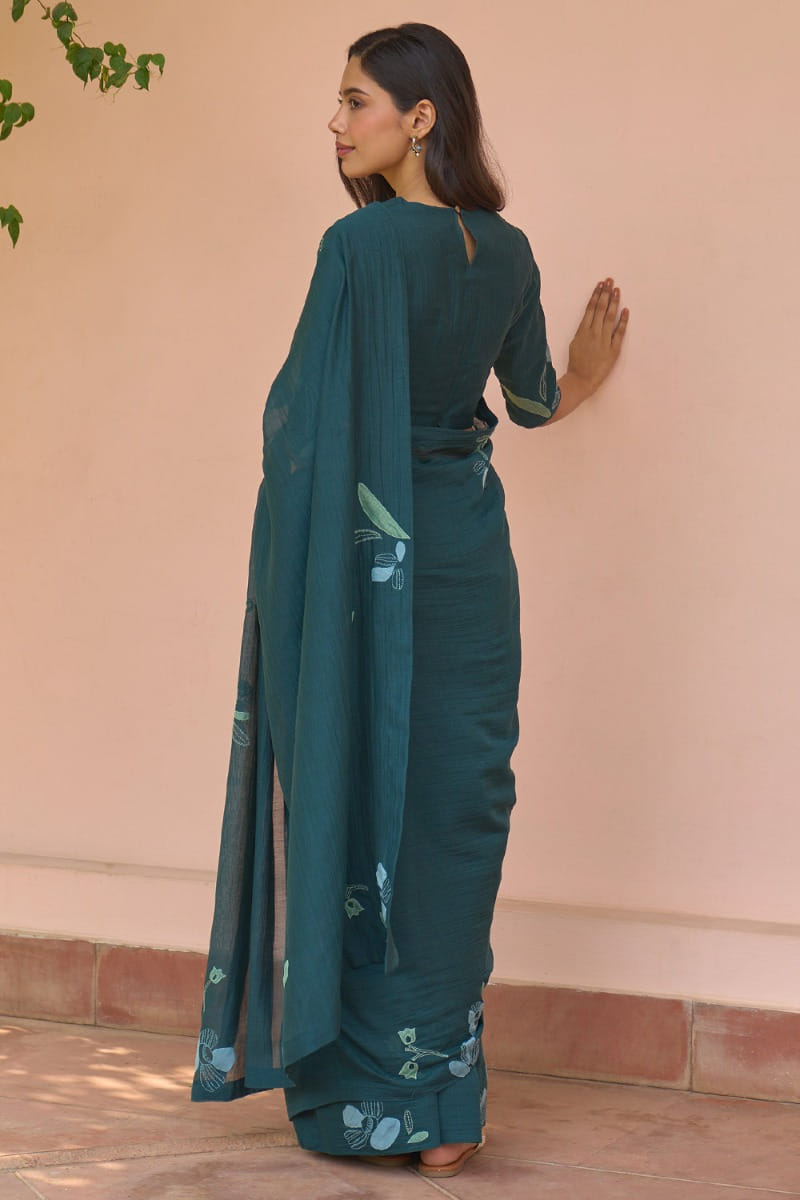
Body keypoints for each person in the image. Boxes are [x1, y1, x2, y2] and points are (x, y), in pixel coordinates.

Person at [190, 21, 629, 1181]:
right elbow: (528, 403)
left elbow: (298, 424)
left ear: (419, 117)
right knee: (451, 808)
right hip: (469, 564)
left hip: (363, 574)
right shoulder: (509, 252)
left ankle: (375, 1101)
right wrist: (585, 374)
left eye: (356, 101)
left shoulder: (359, 247)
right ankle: (448, 1101)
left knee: (361, 792)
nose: (335, 123)